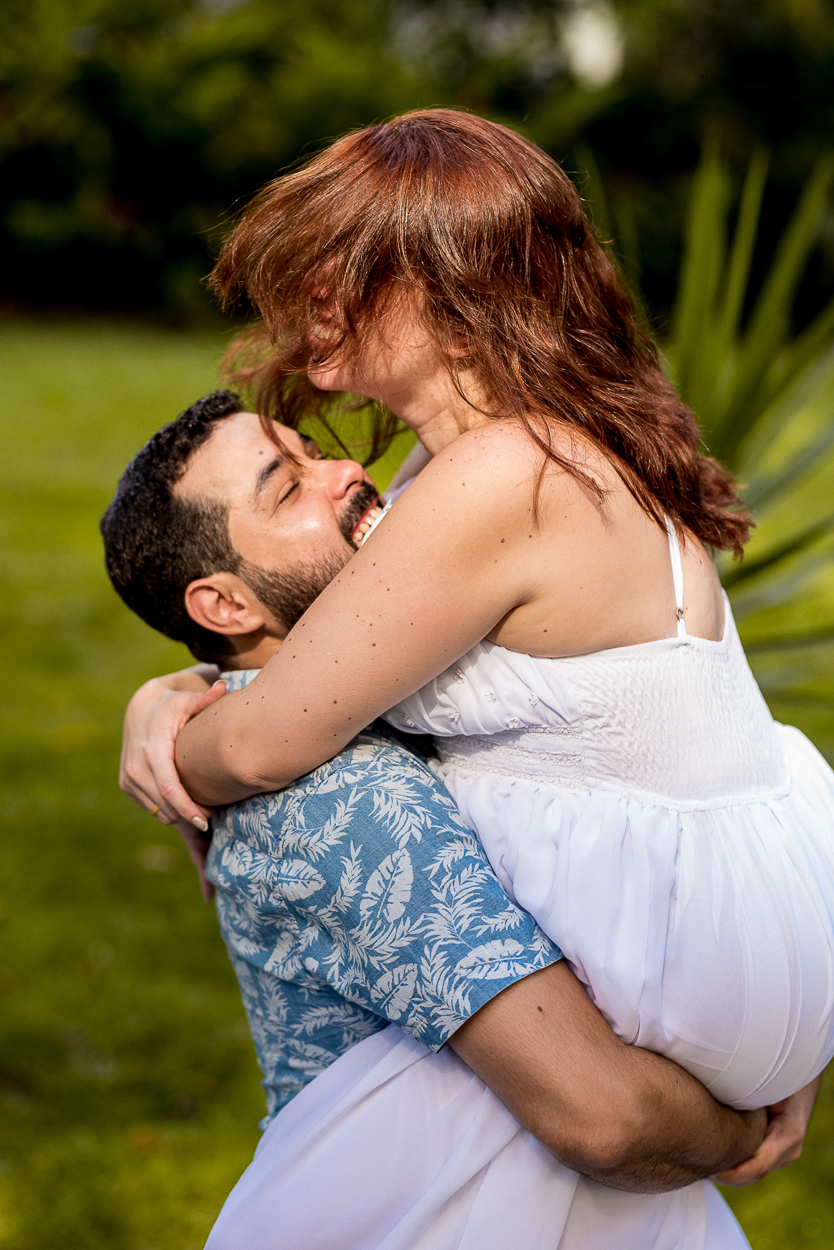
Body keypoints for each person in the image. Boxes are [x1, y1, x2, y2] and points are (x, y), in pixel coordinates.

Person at [120, 110, 834, 1234]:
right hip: (713, 946)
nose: (311, 309)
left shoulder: (504, 470)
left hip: (648, 972)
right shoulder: (516, 446)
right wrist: (174, 686)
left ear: (452, 291)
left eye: (344, 277)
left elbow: (261, 744)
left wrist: (163, 736)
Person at [104, 393, 805, 1250]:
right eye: (287, 490)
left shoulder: (375, 696)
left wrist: (165, 697)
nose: (346, 473)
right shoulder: (340, 795)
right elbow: (604, 1120)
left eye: (314, 452)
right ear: (224, 608)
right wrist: (745, 1124)